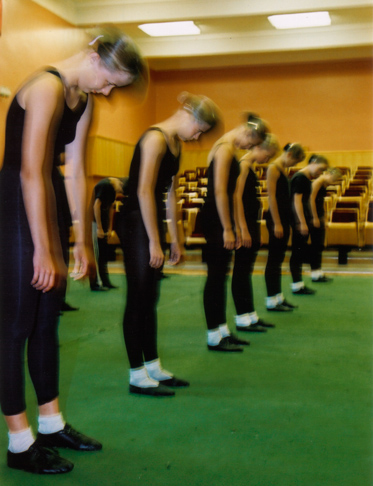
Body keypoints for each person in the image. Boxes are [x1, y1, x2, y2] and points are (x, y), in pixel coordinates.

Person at [0, 27, 145, 474]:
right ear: (93, 57)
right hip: (17, 209)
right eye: (108, 81)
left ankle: (51, 423)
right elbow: (28, 172)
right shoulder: (45, 86)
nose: (106, 91)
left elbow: (75, 171)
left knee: (47, 322)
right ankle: (19, 442)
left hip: (49, 207)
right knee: (17, 326)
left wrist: (82, 237)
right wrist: (44, 249)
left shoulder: (82, 101)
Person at [118, 92, 219, 397]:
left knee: (150, 297)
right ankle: (137, 374)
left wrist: (175, 238)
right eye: (199, 129)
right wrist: (153, 241)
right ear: (188, 114)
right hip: (136, 221)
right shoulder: (155, 139)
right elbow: (145, 192)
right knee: (138, 298)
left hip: (149, 223)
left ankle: (153, 366)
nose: (197, 136)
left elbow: (170, 195)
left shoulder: (175, 144)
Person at [202, 113, 269, 352]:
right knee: (216, 279)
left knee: (221, 278)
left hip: (221, 219)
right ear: (247, 133)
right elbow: (220, 192)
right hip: (216, 220)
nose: (248, 148)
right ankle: (214, 335)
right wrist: (228, 228)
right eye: (250, 144)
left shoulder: (229, 148)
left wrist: (233, 227)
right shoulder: (224, 149)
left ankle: (222, 331)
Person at [232, 133, 279, 333]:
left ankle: (250, 314)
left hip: (251, 223)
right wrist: (242, 229)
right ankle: (243, 318)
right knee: (241, 272)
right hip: (245, 226)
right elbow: (236, 198)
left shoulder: (250, 167)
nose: (267, 160)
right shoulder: (243, 166)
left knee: (246, 272)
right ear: (258, 148)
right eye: (267, 155)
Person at [264, 143, 306, 312]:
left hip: (284, 218)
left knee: (278, 260)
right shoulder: (273, 168)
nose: (294, 165)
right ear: (289, 155)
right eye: (295, 161)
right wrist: (277, 223)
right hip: (276, 219)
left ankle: (278, 297)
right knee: (274, 260)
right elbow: (271, 198)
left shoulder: (283, 169)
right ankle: (271, 300)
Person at [289, 154, 329, 294]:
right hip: (299, 220)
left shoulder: (305, 179)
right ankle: (297, 285)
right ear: (313, 162)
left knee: (299, 253)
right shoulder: (300, 178)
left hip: (302, 219)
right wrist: (302, 222)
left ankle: (299, 284)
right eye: (319, 169)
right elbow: (297, 202)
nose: (320, 173)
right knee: (297, 253)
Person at [90, 177, 127, 291]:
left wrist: (110, 228)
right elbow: (96, 205)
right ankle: (97, 283)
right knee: (97, 255)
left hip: (104, 224)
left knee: (104, 255)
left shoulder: (112, 189)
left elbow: (111, 207)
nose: (119, 191)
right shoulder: (105, 185)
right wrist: (99, 228)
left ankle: (105, 281)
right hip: (96, 224)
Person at [309, 168, 341, 282]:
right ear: (328, 174)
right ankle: (315, 273)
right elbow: (311, 200)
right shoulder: (317, 182)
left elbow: (321, 203)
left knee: (319, 245)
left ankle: (318, 271)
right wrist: (315, 217)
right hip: (315, 217)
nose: (333, 181)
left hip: (319, 216)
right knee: (316, 246)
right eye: (333, 178)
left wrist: (325, 219)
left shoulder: (323, 184)